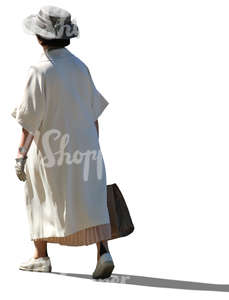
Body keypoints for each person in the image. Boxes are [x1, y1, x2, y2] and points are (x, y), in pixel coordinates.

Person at [11, 5, 114, 279]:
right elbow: (94, 115)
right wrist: (94, 148)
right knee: (91, 200)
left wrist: (20, 156)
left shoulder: (39, 70)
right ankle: (103, 252)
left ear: (39, 36)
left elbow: (29, 121)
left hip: (51, 153)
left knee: (39, 195)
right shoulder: (81, 67)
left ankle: (40, 256)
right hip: (87, 148)